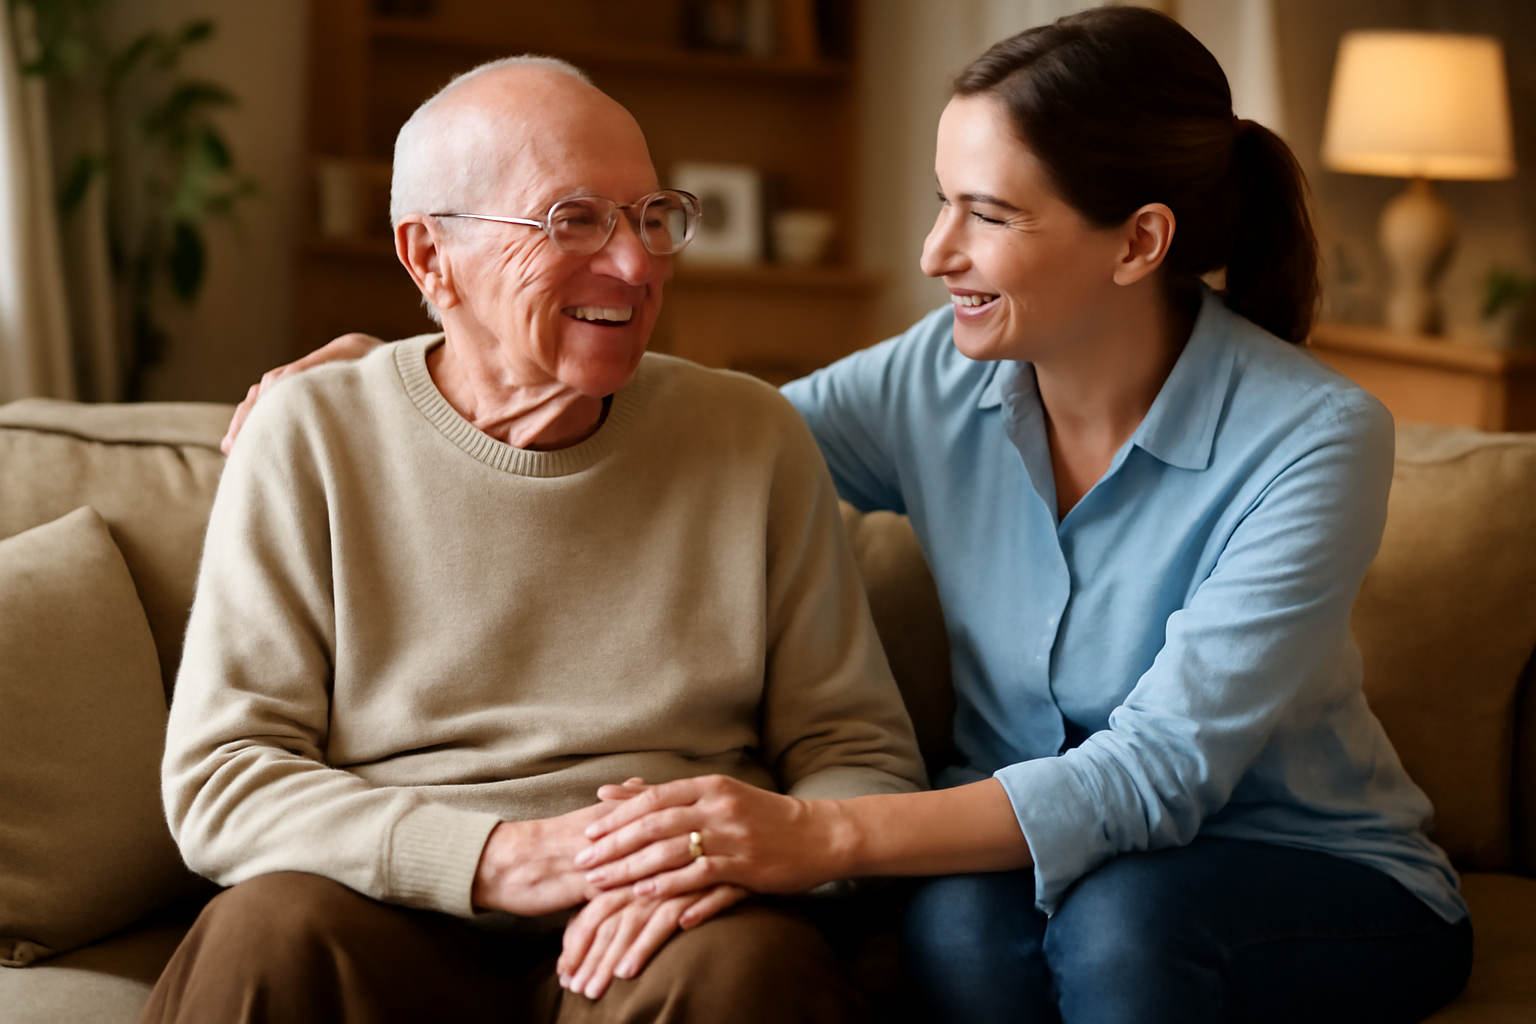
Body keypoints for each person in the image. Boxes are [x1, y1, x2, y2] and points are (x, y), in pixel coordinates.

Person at [226, 9, 1475, 1024]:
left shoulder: (1315, 435)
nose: (935, 250)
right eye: (943, 199)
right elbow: (694, 438)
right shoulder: (942, 376)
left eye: (988, 213)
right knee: (950, 930)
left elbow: (1160, 776)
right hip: (1035, 855)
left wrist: (807, 832)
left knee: (1124, 926)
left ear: (1138, 241)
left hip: (1295, 865)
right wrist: (407, 367)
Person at [145, 55, 924, 1024]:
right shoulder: (309, 434)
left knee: (746, 971)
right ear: (430, 257)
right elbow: (226, 779)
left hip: (664, 926)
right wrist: (492, 858)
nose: (638, 266)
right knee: (265, 933)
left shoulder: (752, 435)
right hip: (386, 910)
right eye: (576, 220)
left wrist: (760, 853)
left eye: (651, 216)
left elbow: (860, 754)